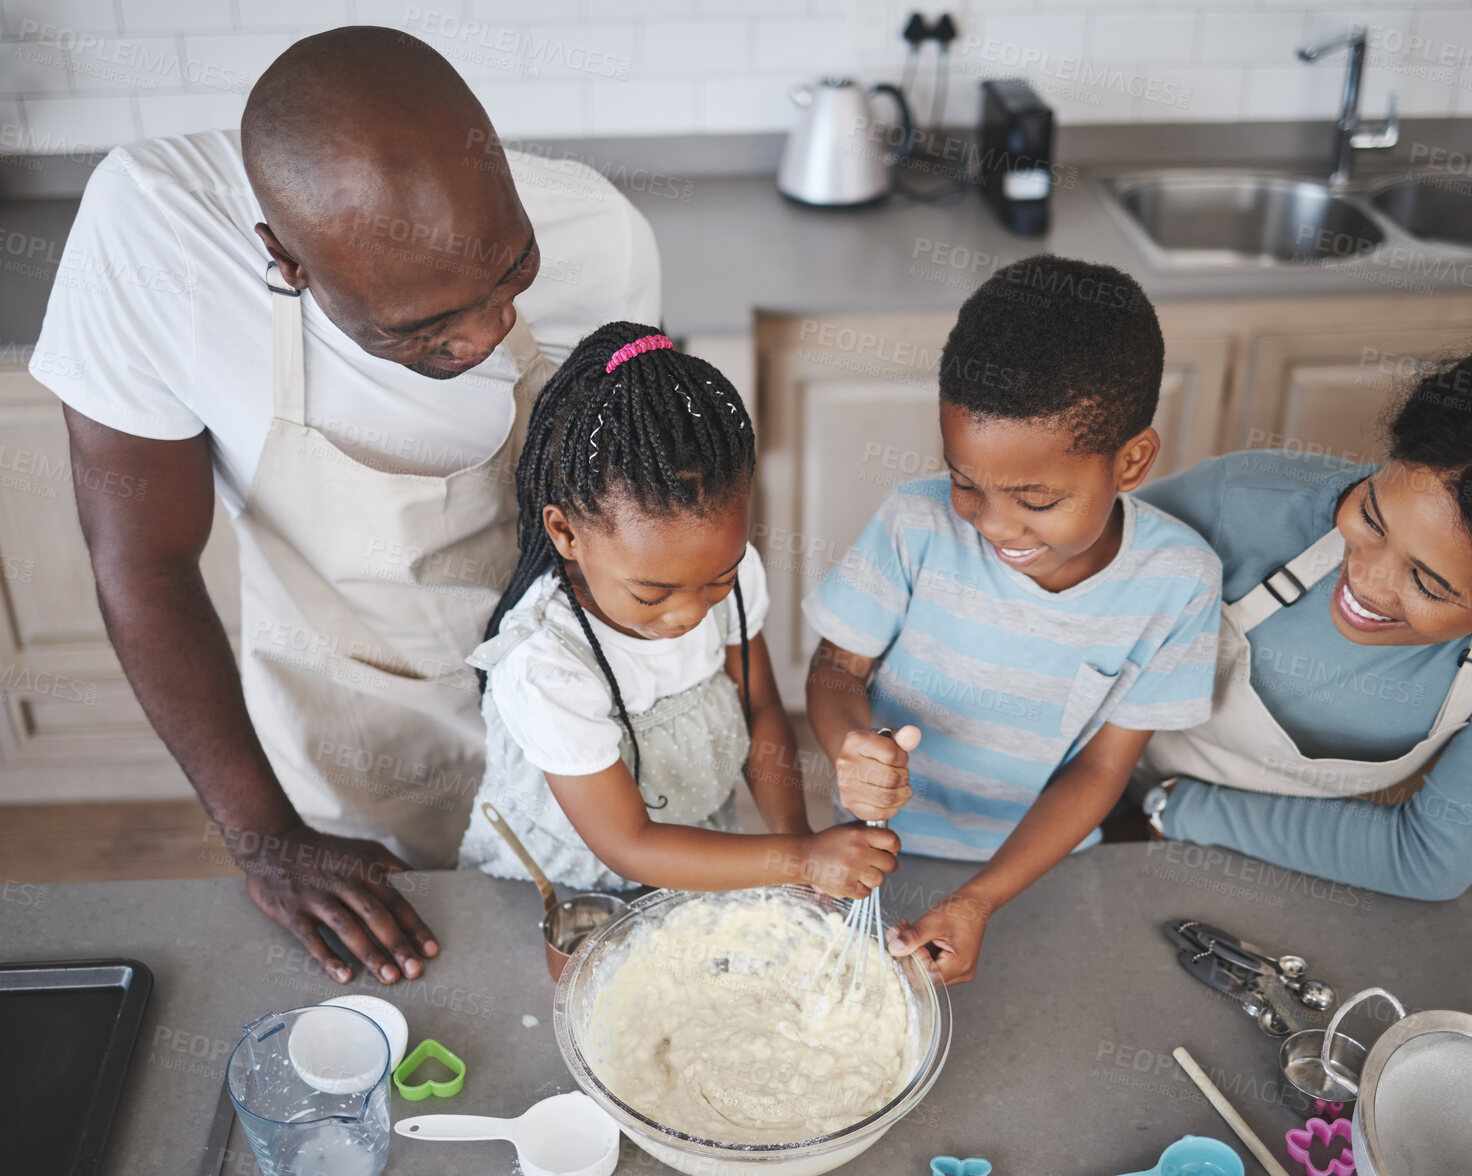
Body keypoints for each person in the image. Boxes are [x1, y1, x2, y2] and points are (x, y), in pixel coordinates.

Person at [30, 28, 660, 984]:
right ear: (284, 259)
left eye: (512, 272)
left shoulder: (601, 235)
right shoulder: (157, 235)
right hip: (339, 744)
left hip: (566, 725)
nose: (492, 332)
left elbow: (640, 507)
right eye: (423, 328)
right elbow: (141, 562)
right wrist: (268, 843)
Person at [1124, 333, 1472, 900]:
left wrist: (1175, 809)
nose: (1366, 581)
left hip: (1228, 857)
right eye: (1371, 514)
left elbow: (1427, 859)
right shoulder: (1235, 501)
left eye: (1429, 584)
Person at [804, 256, 1223, 984]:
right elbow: (836, 669)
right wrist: (850, 745)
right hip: (876, 841)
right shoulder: (916, 524)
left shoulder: (1179, 583)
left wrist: (979, 900)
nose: (993, 526)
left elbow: (1099, 770)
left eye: (1035, 500)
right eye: (966, 482)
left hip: (1032, 863)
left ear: (1131, 461)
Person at [459, 324, 899, 898]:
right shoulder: (546, 663)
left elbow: (761, 707)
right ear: (566, 532)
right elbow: (630, 844)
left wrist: (793, 833)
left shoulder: (731, 576)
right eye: (652, 594)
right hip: (566, 882)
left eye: (718, 579)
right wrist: (799, 859)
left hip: (693, 851)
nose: (688, 613)